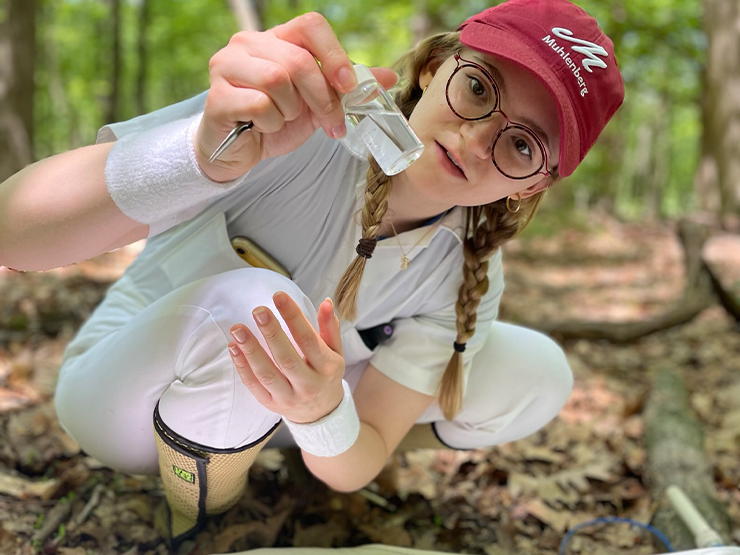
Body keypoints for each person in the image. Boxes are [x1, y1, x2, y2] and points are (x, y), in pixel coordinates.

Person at [0, 0, 624, 546]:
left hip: (286, 415)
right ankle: (202, 513)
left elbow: (363, 452)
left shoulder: (466, 270)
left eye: (522, 146)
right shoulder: (305, 120)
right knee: (265, 309)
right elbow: (14, 231)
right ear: (436, 68)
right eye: (480, 89)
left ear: (534, 184)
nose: (478, 138)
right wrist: (200, 153)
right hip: (130, 400)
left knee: (535, 371)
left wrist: (325, 414)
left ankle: (267, 450)